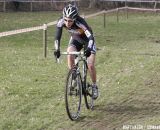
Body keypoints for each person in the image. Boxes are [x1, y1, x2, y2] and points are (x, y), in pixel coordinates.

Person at [54, 4, 98, 99]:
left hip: (88, 41)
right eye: (65, 19)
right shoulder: (61, 21)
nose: (67, 23)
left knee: (90, 64)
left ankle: (94, 86)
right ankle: (74, 77)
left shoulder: (80, 22)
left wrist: (89, 49)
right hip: (76, 40)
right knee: (69, 54)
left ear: (75, 19)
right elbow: (57, 37)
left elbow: (90, 37)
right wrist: (57, 49)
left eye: (70, 21)